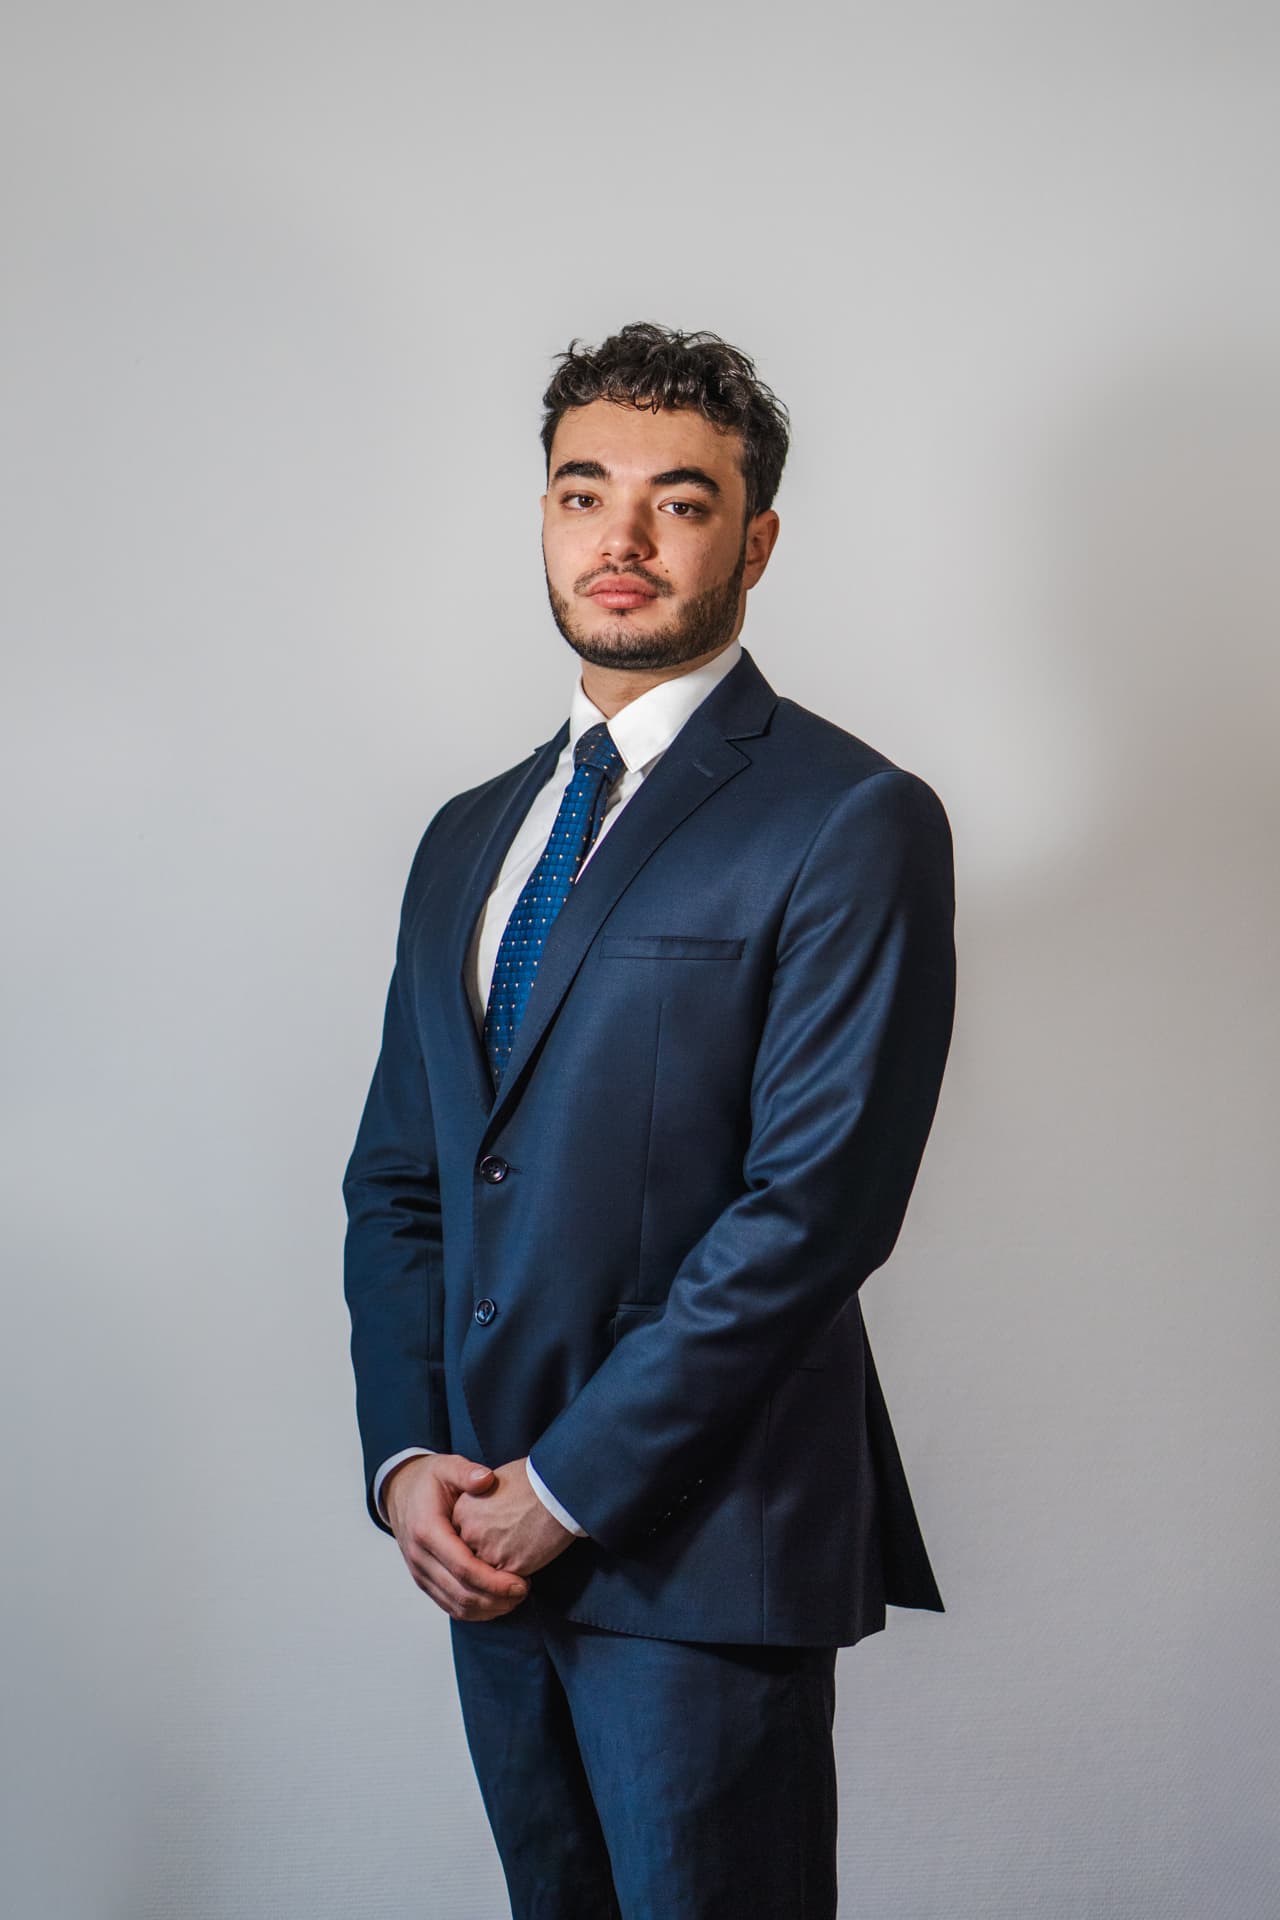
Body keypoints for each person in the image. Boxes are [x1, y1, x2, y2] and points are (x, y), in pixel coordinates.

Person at [343, 321, 956, 1920]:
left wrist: (564, 1490)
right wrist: (410, 1461)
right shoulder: (467, 835)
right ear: (544, 518)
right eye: (582, 492)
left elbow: (814, 1211)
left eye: (679, 501)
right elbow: (404, 1180)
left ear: (756, 541)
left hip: (698, 1547)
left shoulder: (850, 817)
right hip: (477, 1541)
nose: (620, 537)